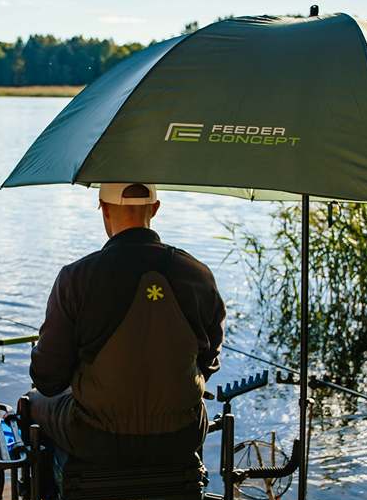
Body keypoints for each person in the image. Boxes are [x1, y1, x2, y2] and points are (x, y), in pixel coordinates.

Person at [25, 181, 226, 467]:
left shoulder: (76, 278)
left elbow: (47, 378)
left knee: (31, 402)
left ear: (103, 208)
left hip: (95, 435)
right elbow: (210, 361)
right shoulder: (198, 274)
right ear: (155, 209)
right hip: (183, 433)